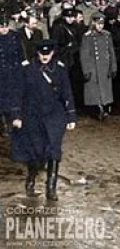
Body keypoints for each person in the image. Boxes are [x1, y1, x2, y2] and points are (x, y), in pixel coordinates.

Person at [8, 40, 77, 200]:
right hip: (33, 115)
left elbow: (67, 93)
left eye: (48, 53)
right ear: (37, 53)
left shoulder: (59, 69)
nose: (45, 56)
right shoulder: (28, 69)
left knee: (54, 149)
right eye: (42, 53)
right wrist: (17, 115)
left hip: (55, 115)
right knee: (37, 151)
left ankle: (51, 188)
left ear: (53, 52)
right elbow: (18, 93)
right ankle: (31, 179)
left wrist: (71, 115)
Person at [79, 12, 117, 121]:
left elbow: (111, 52)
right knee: (95, 91)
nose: (101, 26)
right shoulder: (87, 37)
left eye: (102, 24)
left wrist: (113, 67)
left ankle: (104, 107)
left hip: (105, 67)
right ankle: (98, 108)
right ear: (93, 23)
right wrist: (86, 70)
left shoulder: (107, 35)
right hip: (93, 68)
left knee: (105, 90)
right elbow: (84, 54)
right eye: (98, 23)